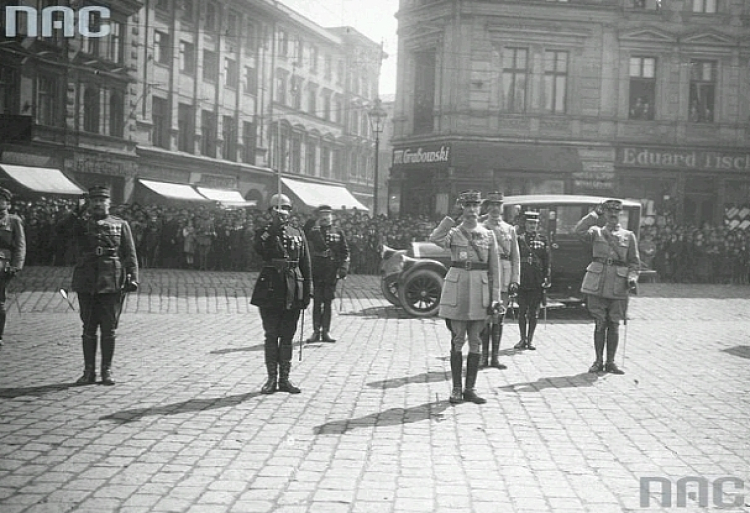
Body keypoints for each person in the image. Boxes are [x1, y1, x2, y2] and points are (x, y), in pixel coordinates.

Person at [430, 190, 502, 405]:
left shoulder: (488, 235)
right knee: (457, 339)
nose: (471, 210)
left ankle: (470, 389)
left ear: (480, 208)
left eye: (474, 206)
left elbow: (495, 269)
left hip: (480, 291)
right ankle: (456, 389)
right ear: (462, 208)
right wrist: (450, 218)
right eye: (467, 206)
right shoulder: (453, 233)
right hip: (458, 289)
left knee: (476, 340)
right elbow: (435, 238)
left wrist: (496, 298)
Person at [69, 185, 139, 385]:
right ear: (90, 203)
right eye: (94, 200)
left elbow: (130, 253)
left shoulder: (120, 224)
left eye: (102, 200)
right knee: (88, 327)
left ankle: (106, 371)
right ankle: (88, 371)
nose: (98, 204)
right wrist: (77, 211)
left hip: (111, 281)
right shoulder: (81, 223)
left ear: (109, 203)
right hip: (86, 280)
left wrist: (133, 277)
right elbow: (60, 231)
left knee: (109, 329)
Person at [250, 193, 312, 394]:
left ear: (290, 212)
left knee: (287, 336)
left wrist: (307, 292)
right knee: (271, 335)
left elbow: (305, 264)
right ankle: (271, 379)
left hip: (293, 288)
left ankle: (284, 379)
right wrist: (274, 229)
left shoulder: (298, 233)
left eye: (285, 210)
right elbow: (259, 249)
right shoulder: (264, 232)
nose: (282, 214)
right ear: (270, 213)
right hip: (270, 287)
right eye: (277, 210)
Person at [574, 199, 640, 375]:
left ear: (620, 214)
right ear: (605, 214)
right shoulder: (596, 233)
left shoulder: (628, 236)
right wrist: (594, 214)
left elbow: (634, 263)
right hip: (598, 283)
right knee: (600, 323)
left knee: (614, 323)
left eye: (616, 213)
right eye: (609, 212)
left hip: (619, 285)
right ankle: (598, 361)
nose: (612, 216)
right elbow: (578, 231)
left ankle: (611, 362)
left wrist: (632, 278)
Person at [479, 191, 519, 369]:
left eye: (498, 205)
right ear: (487, 207)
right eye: (492, 205)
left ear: (502, 208)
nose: (495, 209)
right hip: (486, 275)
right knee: (485, 316)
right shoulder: (480, 226)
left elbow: (515, 257)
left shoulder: (509, 229)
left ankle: (495, 357)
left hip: (504, 275)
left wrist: (515, 280)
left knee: (499, 317)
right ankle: (482, 357)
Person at [304, 205, 350, 343]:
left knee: (328, 302)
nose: (325, 217)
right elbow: (304, 233)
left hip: (331, 271)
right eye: (322, 215)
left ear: (332, 216)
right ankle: (315, 331)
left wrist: (343, 268)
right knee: (317, 301)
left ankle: (326, 331)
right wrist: (312, 220)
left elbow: (345, 252)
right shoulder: (313, 231)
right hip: (317, 270)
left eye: (327, 215)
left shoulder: (338, 232)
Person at [514, 210, 551, 351]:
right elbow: (515, 260)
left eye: (534, 223)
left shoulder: (543, 239)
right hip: (522, 279)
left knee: (534, 312)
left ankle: (530, 340)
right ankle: (522, 339)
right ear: (525, 224)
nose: (532, 226)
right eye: (530, 223)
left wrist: (547, 277)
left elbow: (547, 260)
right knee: (522, 311)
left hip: (537, 280)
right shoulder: (519, 239)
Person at [0, 187, 26, 348]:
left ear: (8, 204)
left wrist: (16, 266)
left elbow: (20, 245)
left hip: (3, 265)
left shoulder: (13, 221)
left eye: (2, 200)